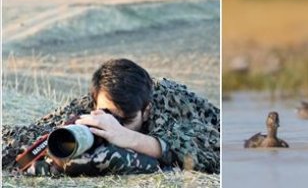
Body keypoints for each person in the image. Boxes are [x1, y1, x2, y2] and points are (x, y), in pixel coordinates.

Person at [2, 58, 219, 176]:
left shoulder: (170, 106)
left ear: (147, 111)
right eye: (107, 115)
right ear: (94, 103)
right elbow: (23, 135)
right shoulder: (87, 107)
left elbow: (213, 148)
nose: (111, 125)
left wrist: (128, 137)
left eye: (125, 120)